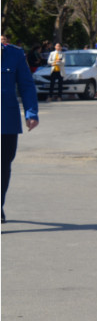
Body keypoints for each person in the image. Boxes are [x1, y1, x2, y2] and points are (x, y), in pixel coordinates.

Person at [2, 39, 39, 223]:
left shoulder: (15, 54)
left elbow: (26, 85)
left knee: (4, 166)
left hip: (6, 121)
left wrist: (31, 112)